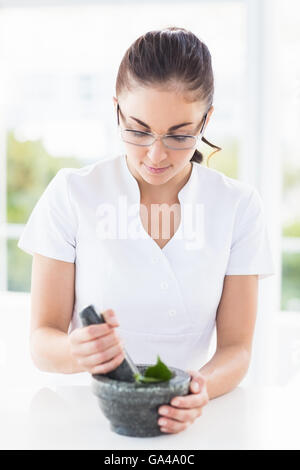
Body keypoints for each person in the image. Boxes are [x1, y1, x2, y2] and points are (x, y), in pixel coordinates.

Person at [18, 26, 275, 434]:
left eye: (179, 135)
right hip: (79, 417)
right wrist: (76, 350)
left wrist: (198, 390)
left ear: (206, 119)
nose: (156, 154)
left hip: (186, 419)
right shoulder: (72, 193)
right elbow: (41, 343)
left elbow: (236, 348)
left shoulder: (238, 207)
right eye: (138, 130)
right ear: (117, 109)